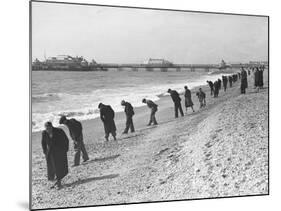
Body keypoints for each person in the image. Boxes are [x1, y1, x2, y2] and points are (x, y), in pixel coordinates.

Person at [41, 122, 69, 190]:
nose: (48, 130)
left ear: (52, 127)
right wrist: (45, 151)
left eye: (49, 128)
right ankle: (57, 180)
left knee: (59, 166)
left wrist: (65, 149)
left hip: (59, 151)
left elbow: (66, 140)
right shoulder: (44, 133)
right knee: (52, 167)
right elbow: (43, 143)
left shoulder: (59, 131)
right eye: (46, 128)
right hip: (50, 152)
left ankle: (58, 181)